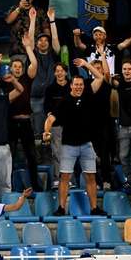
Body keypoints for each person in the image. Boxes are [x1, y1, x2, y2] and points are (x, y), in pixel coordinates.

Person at [42, 60, 108, 216]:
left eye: (81, 85)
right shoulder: (64, 101)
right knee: (64, 177)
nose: (79, 87)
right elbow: (50, 119)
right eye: (76, 85)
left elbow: (99, 78)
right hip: (68, 146)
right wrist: (46, 131)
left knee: (91, 177)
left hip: (86, 144)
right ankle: (61, 208)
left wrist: (86, 65)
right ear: (71, 86)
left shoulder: (88, 95)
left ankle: (94, 208)